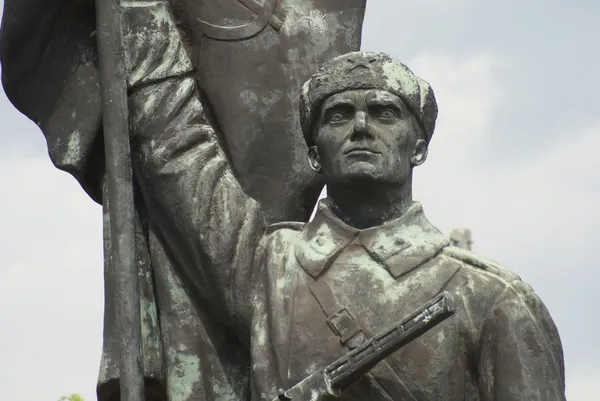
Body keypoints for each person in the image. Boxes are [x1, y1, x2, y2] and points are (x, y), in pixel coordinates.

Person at [128, 43, 566, 399]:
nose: (360, 127)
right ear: (315, 155)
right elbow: (176, 148)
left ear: (418, 148)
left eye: (384, 113)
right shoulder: (267, 267)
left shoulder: (494, 298)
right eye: (337, 115)